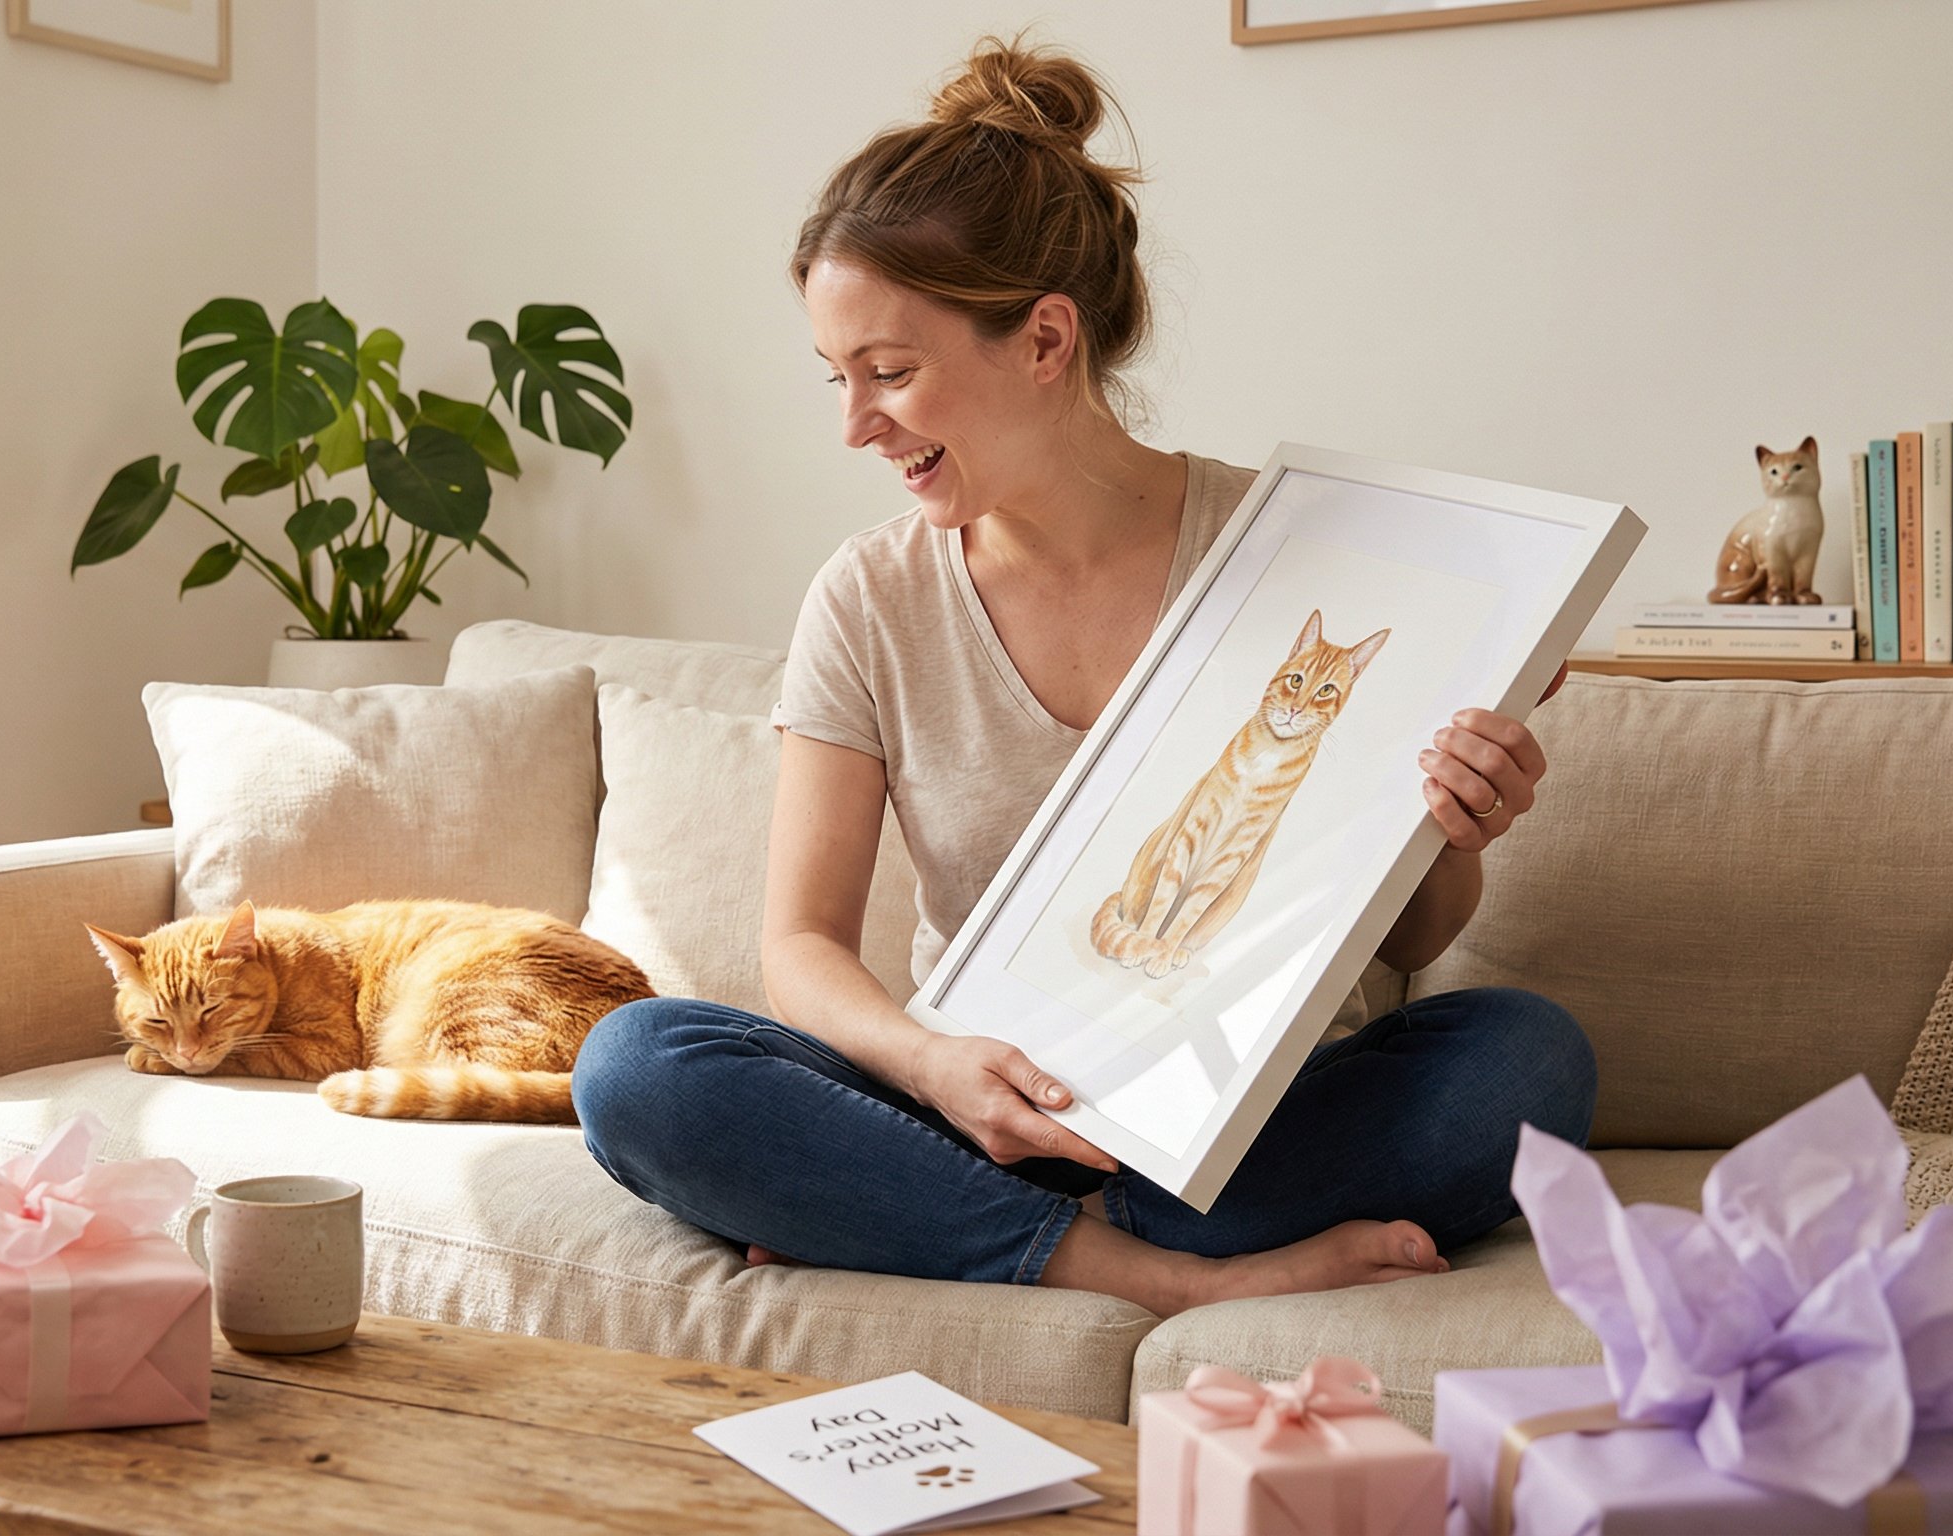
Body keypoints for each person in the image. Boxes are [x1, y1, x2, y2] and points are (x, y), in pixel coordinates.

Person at [571, 37, 1593, 1318]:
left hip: (1250, 1113)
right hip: (968, 1100)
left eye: (890, 373)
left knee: (1525, 1062)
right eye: (839, 380)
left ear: (1045, 338)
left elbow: (1414, 938)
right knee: (636, 1067)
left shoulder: (1308, 557)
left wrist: (1453, 826)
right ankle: (1149, 1270)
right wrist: (935, 1068)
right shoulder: (871, 596)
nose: (856, 425)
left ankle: (946, 1225)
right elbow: (800, 948)